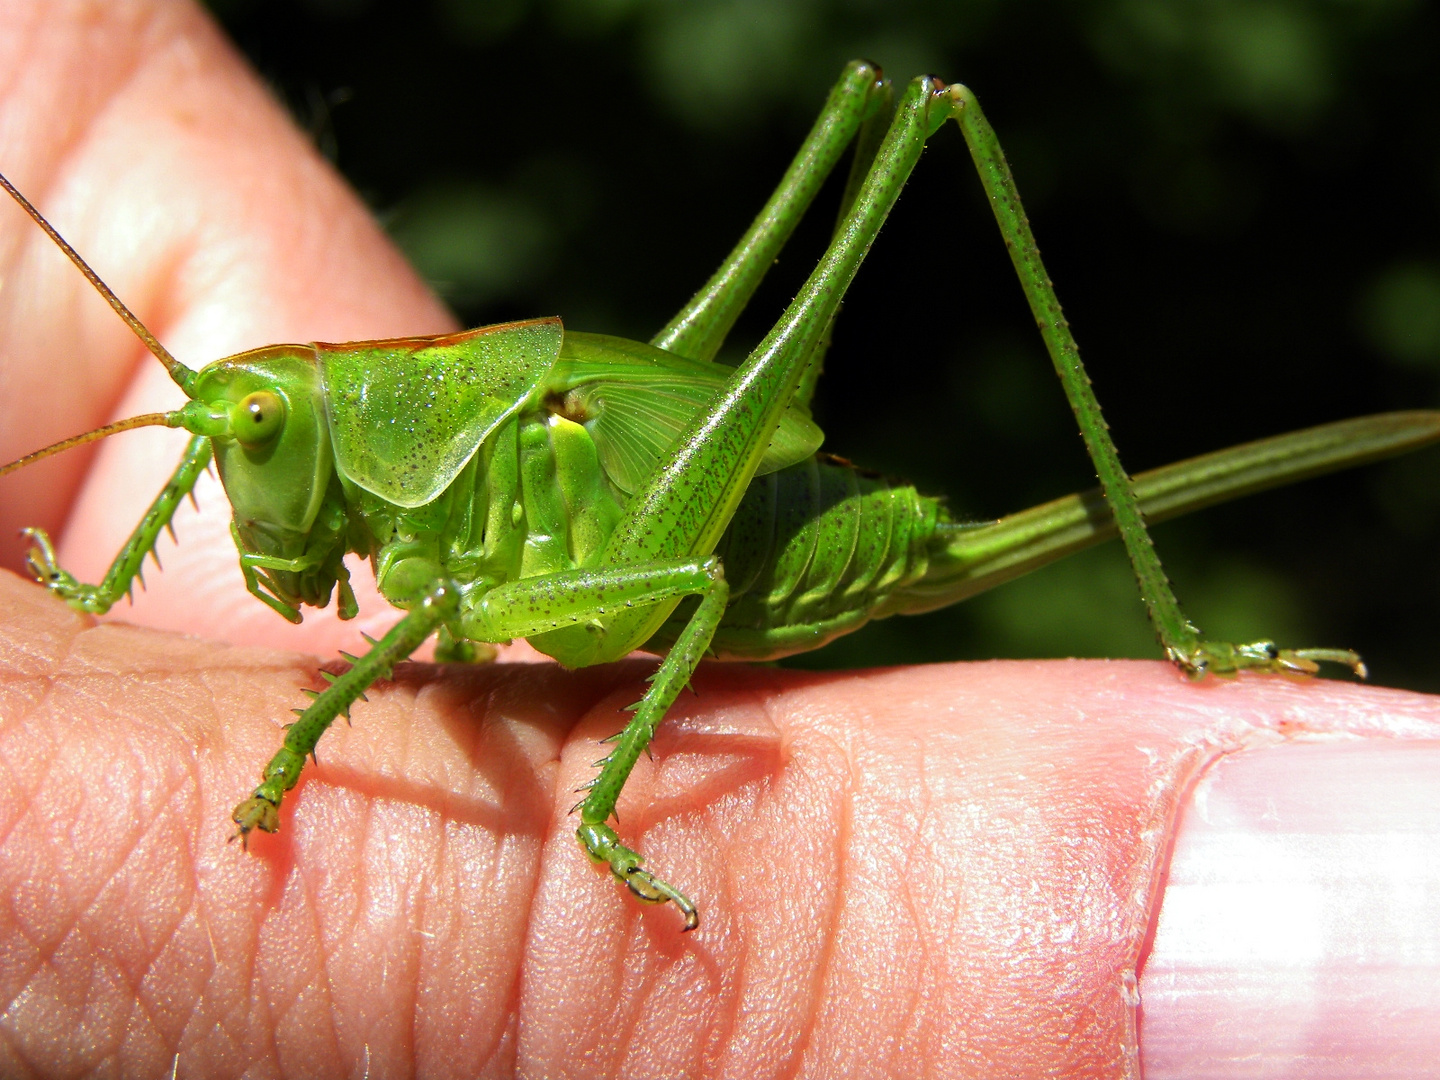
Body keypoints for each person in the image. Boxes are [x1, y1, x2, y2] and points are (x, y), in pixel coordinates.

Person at [1, 4, 1435, 1075]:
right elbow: (420, 603)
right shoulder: (403, 485)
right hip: (655, 509)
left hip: (729, 536)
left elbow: (683, 581)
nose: (249, 467)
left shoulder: (454, 471)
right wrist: (94, 593)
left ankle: (1182, 630)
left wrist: (548, 805)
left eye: (259, 438)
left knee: (917, 117)